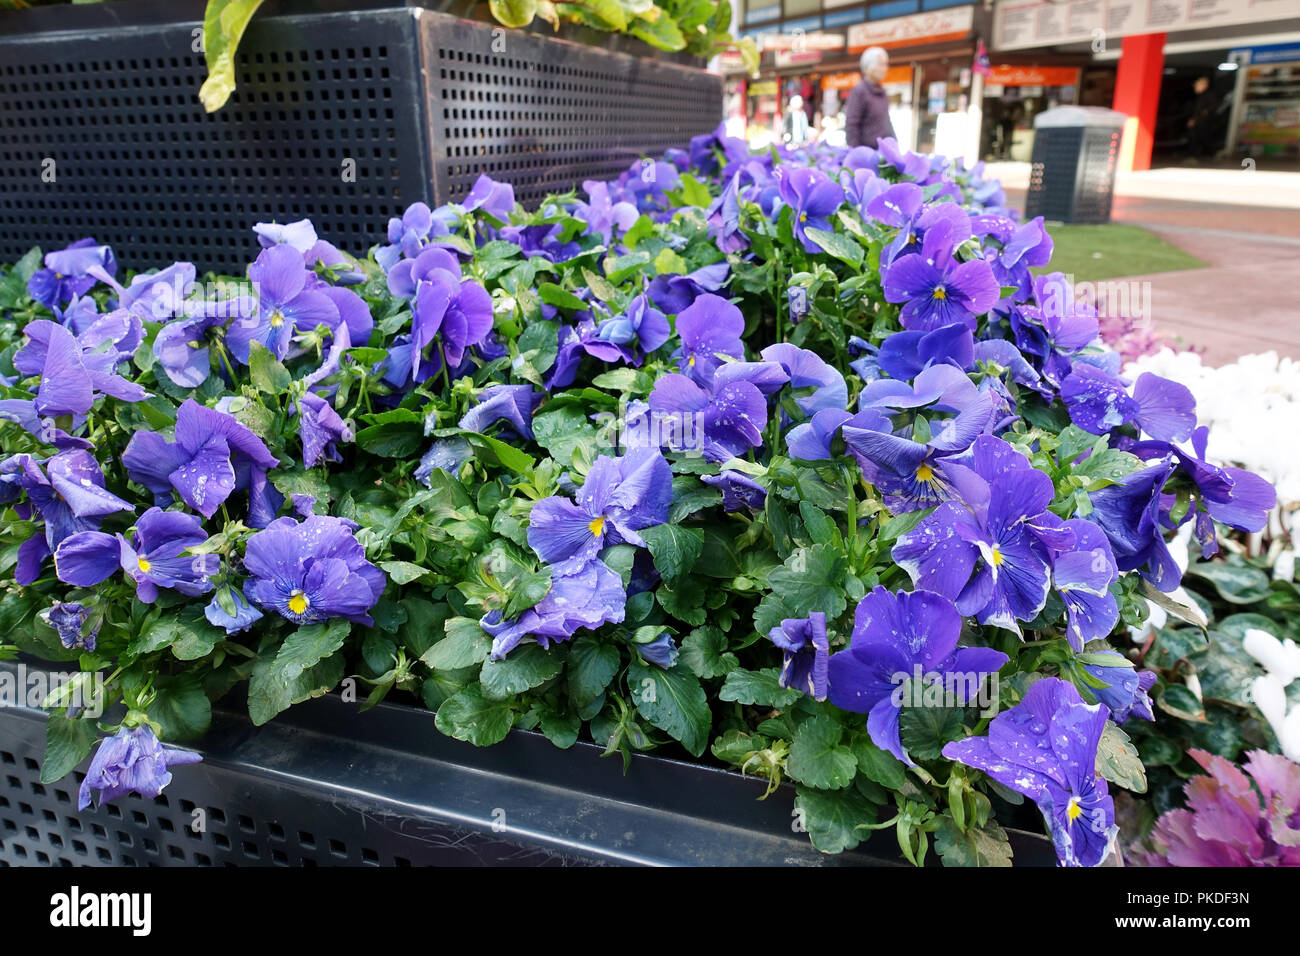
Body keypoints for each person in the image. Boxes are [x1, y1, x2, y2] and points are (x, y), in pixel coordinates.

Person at [845, 47, 895, 149]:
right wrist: (857, 153)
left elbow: (886, 122)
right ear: (869, 68)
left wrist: (894, 144)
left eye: (886, 64)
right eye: (881, 64)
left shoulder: (882, 91)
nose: (885, 68)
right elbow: (852, 125)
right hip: (867, 155)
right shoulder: (859, 91)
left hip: (883, 152)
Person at [1185, 76, 1219, 160]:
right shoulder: (1201, 96)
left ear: (1204, 85)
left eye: (1197, 85)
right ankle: (1200, 155)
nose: (1195, 87)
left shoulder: (1209, 95)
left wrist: (1196, 120)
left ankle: (1210, 154)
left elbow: (1208, 110)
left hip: (1203, 122)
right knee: (1198, 137)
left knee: (1203, 137)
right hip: (1200, 121)